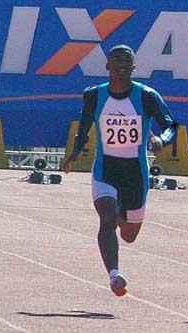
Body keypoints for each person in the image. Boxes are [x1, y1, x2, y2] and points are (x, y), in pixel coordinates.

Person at [63, 44, 177, 297]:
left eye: (127, 61)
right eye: (116, 60)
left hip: (135, 173)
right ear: (107, 66)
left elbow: (171, 125)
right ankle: (114, 275)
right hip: (106, 168)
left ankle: (123, 215)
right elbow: (84, 125)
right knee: (106, 218)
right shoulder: (94, 95)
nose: (121, 64)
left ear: (134, 68)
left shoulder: (147, 96)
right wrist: (76, 150)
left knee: (129, 235)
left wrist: (161, 140)